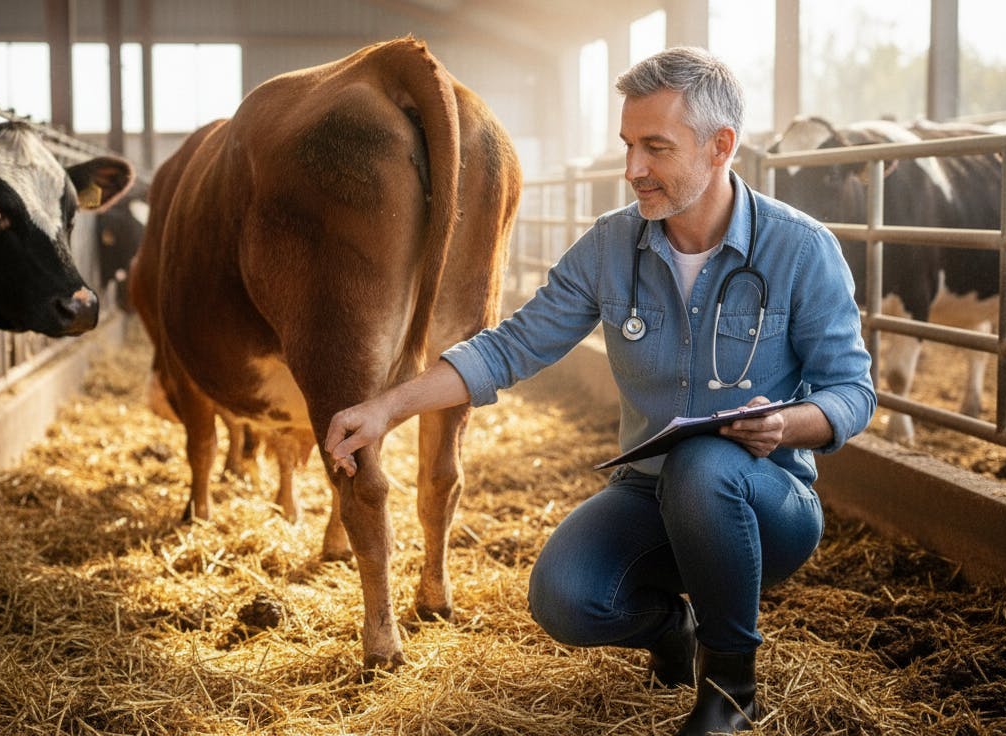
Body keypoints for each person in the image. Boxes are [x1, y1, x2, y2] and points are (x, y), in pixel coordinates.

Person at [324, 46, 875, 735]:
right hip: (649, 492)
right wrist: (386, 406)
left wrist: (789, 425)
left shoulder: (800, 248)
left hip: (768, 503)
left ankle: (731, 688)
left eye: (655, 147)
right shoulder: (613, 248)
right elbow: (512, 345)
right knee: (564, 598)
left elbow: (853, 392)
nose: (632, 170)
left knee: (705, 467)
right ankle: (672, 626)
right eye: (626, 145)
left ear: (720, 146)